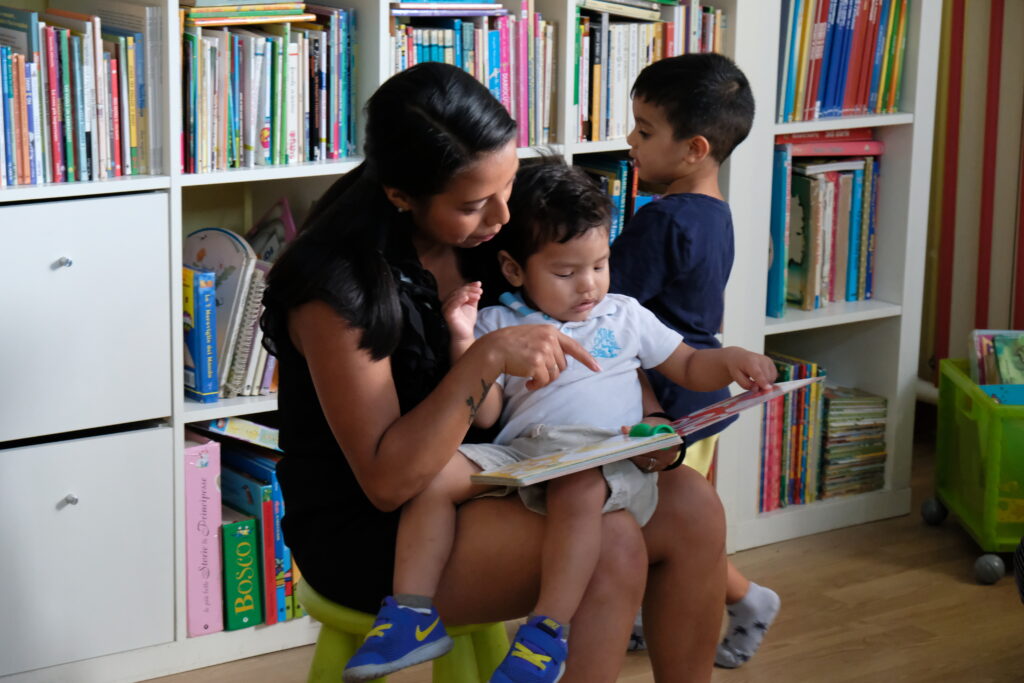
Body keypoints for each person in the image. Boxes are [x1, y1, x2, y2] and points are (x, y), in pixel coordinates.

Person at [261, 61, 733, 683]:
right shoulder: (336, 287)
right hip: (385, 530)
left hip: (512, 470)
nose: (502, 217)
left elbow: (603, 330)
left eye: (507, 184)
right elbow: (387, 482)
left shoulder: (502, 227)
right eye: (475, 204)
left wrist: (644, 419)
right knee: (612, 540)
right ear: (402, 196)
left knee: (693, 505)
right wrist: (482, 360)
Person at [342, 158, 777, 682]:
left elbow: (686, 364)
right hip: (526, 455)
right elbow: (489, 413)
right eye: (566, 273)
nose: (588, 286)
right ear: (513, 269)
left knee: (583, 485)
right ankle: (411, 612)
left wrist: (730, 361)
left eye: (599, 265)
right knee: (435, 475)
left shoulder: (623, 314)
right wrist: (464, 340)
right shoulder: (498, 320)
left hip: (599, 457)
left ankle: (545, 632)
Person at [610, 52, 782, 669]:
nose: (630, 140)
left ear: (695, 149)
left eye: (645, 130)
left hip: (667, 399)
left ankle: (749, 597)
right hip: (701, 395)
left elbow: (603, 305)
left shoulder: (662, 223)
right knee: (674, 523)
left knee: (660, 523)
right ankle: (706, 602)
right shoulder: (715, 214)